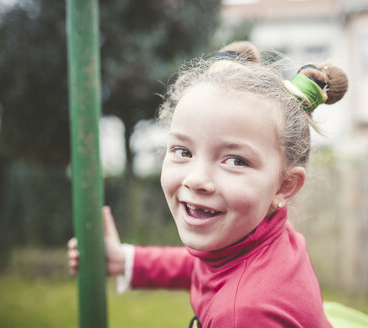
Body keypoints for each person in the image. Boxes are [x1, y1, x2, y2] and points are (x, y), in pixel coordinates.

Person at [68, 41, 348, 327]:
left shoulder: (244, 315)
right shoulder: (258, 236)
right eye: (183, 152)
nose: (197, 179)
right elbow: (206, 266)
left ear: (284, 186)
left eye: (236, 161)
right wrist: (125, 260)